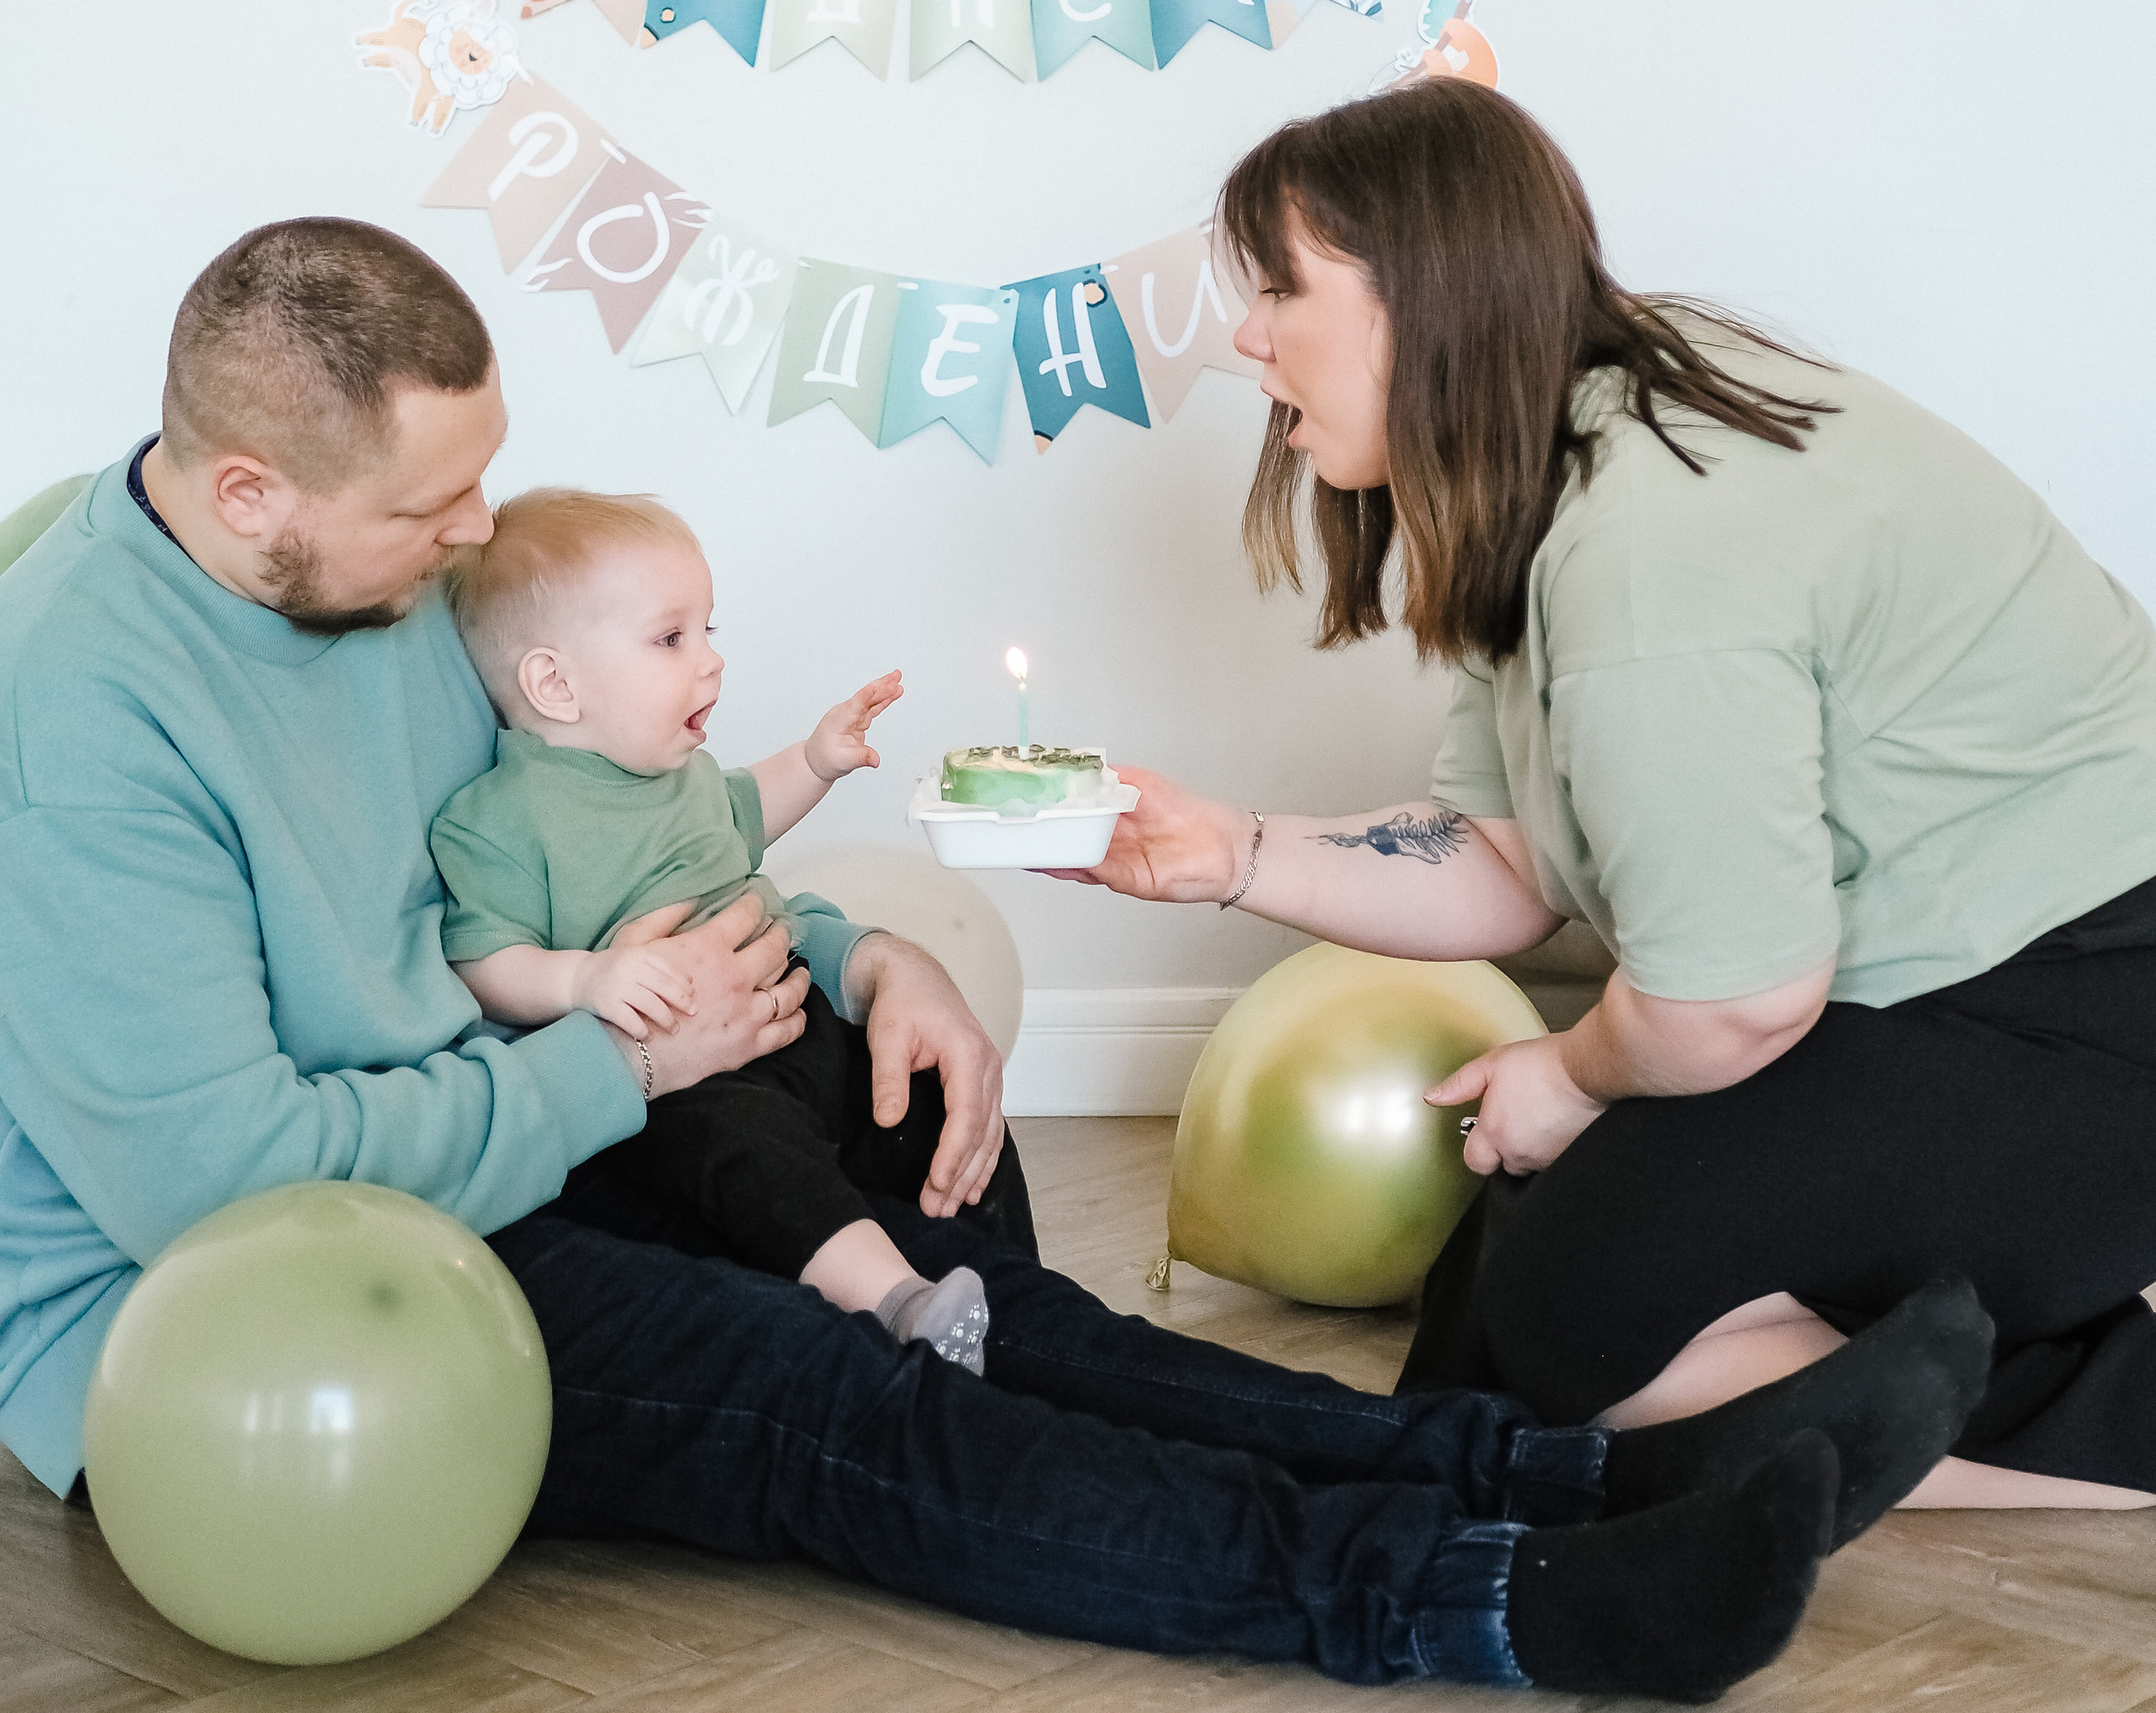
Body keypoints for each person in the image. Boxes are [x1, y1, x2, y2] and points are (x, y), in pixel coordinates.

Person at [0, 215, 1995, 1696]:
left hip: (498, 1121)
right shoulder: (82, 713)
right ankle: (1489, 1602)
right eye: (430, 509)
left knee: (947, 1271)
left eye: (481, 479)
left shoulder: (377, 585)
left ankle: (1556, 1470)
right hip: (252, 1292)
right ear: (246, 491)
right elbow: (221, 1176)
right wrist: (620, 1071)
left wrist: (867, 961)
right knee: (833, 1385)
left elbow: (592, 854)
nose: (474, 536)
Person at [1070, 82, 2156, 1511]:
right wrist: (1230, 852)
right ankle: (1921, 1334)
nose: (1246, 336)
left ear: (1421, 297)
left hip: (2078, 1006)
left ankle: (2115, 1418)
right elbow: (1511, 863)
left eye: (1283, 289)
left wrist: (1574, 1073)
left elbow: (1732, 1002)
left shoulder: (1651, 548)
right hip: (1939, 986)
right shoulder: (1563, 444)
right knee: (1503, 1294)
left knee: (1563, 1332)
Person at [433, 483, 992, 1369]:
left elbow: (748, 810)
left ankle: (1002, 1290)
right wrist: (582, 980)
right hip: (692, 1076)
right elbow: (481, 958)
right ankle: (895, 1300)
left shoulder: (683, 773)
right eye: (671, 637)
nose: (711, 662)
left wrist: (815, 760)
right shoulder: (503, 816)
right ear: (554, 682)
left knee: (926, 1083)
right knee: (735, 1147)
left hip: (795, 1018)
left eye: (708, 630)